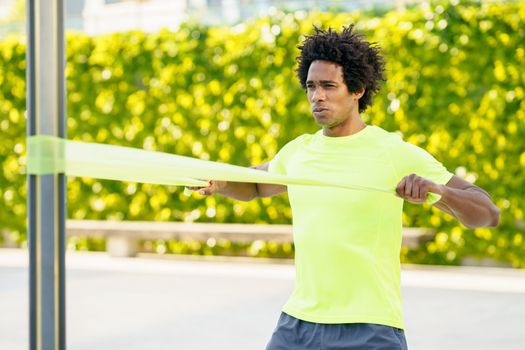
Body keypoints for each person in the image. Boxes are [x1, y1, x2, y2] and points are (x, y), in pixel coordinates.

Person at [188, 25, 500, 349]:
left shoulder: (392, 152)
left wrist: (439, 190)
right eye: (310, 86)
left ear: (358, 89)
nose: (316, 96)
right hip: (298, 324)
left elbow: (488, 213)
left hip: (370, 328)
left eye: (328, 86)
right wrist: (220, 182)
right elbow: (254, 185)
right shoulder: (298, 151)